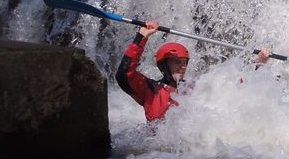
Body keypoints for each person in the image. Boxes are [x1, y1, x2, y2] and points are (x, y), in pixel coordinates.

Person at [116, 20, 270, 122]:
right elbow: (124, 75)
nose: (182, 66)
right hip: (158, 152)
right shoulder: (150, 89)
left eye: (184, 62)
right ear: (163, 65)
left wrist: (258, 63)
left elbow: (230, 86)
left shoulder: (194, 87)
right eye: (177, 62)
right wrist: (142, 37)